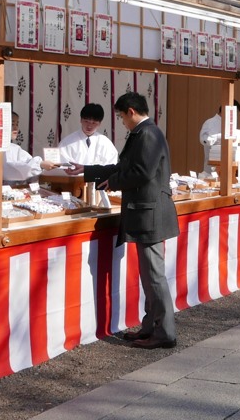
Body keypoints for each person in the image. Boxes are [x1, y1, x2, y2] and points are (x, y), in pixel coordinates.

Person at [73, 92, 179, 348]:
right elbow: (124, 167)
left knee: (154, 276)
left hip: (150, 213)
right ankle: (150, 326)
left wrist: (115, 182)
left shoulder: (148, 134)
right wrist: (87, 171)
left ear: (131, 112)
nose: (122, 122)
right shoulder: (143, 133)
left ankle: (165, 333)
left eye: (121, 117)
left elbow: (141, 172)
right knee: (149, 275)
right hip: (145, 211)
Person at [57, 103, 119, 169]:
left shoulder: (106, 143)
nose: (89, 126)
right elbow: (61, 165)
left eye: (94, 123)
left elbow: (111, 166)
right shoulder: (67, 142)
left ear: (100, 124)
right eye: (86, 121)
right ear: (81, 120)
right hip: (74, 178)